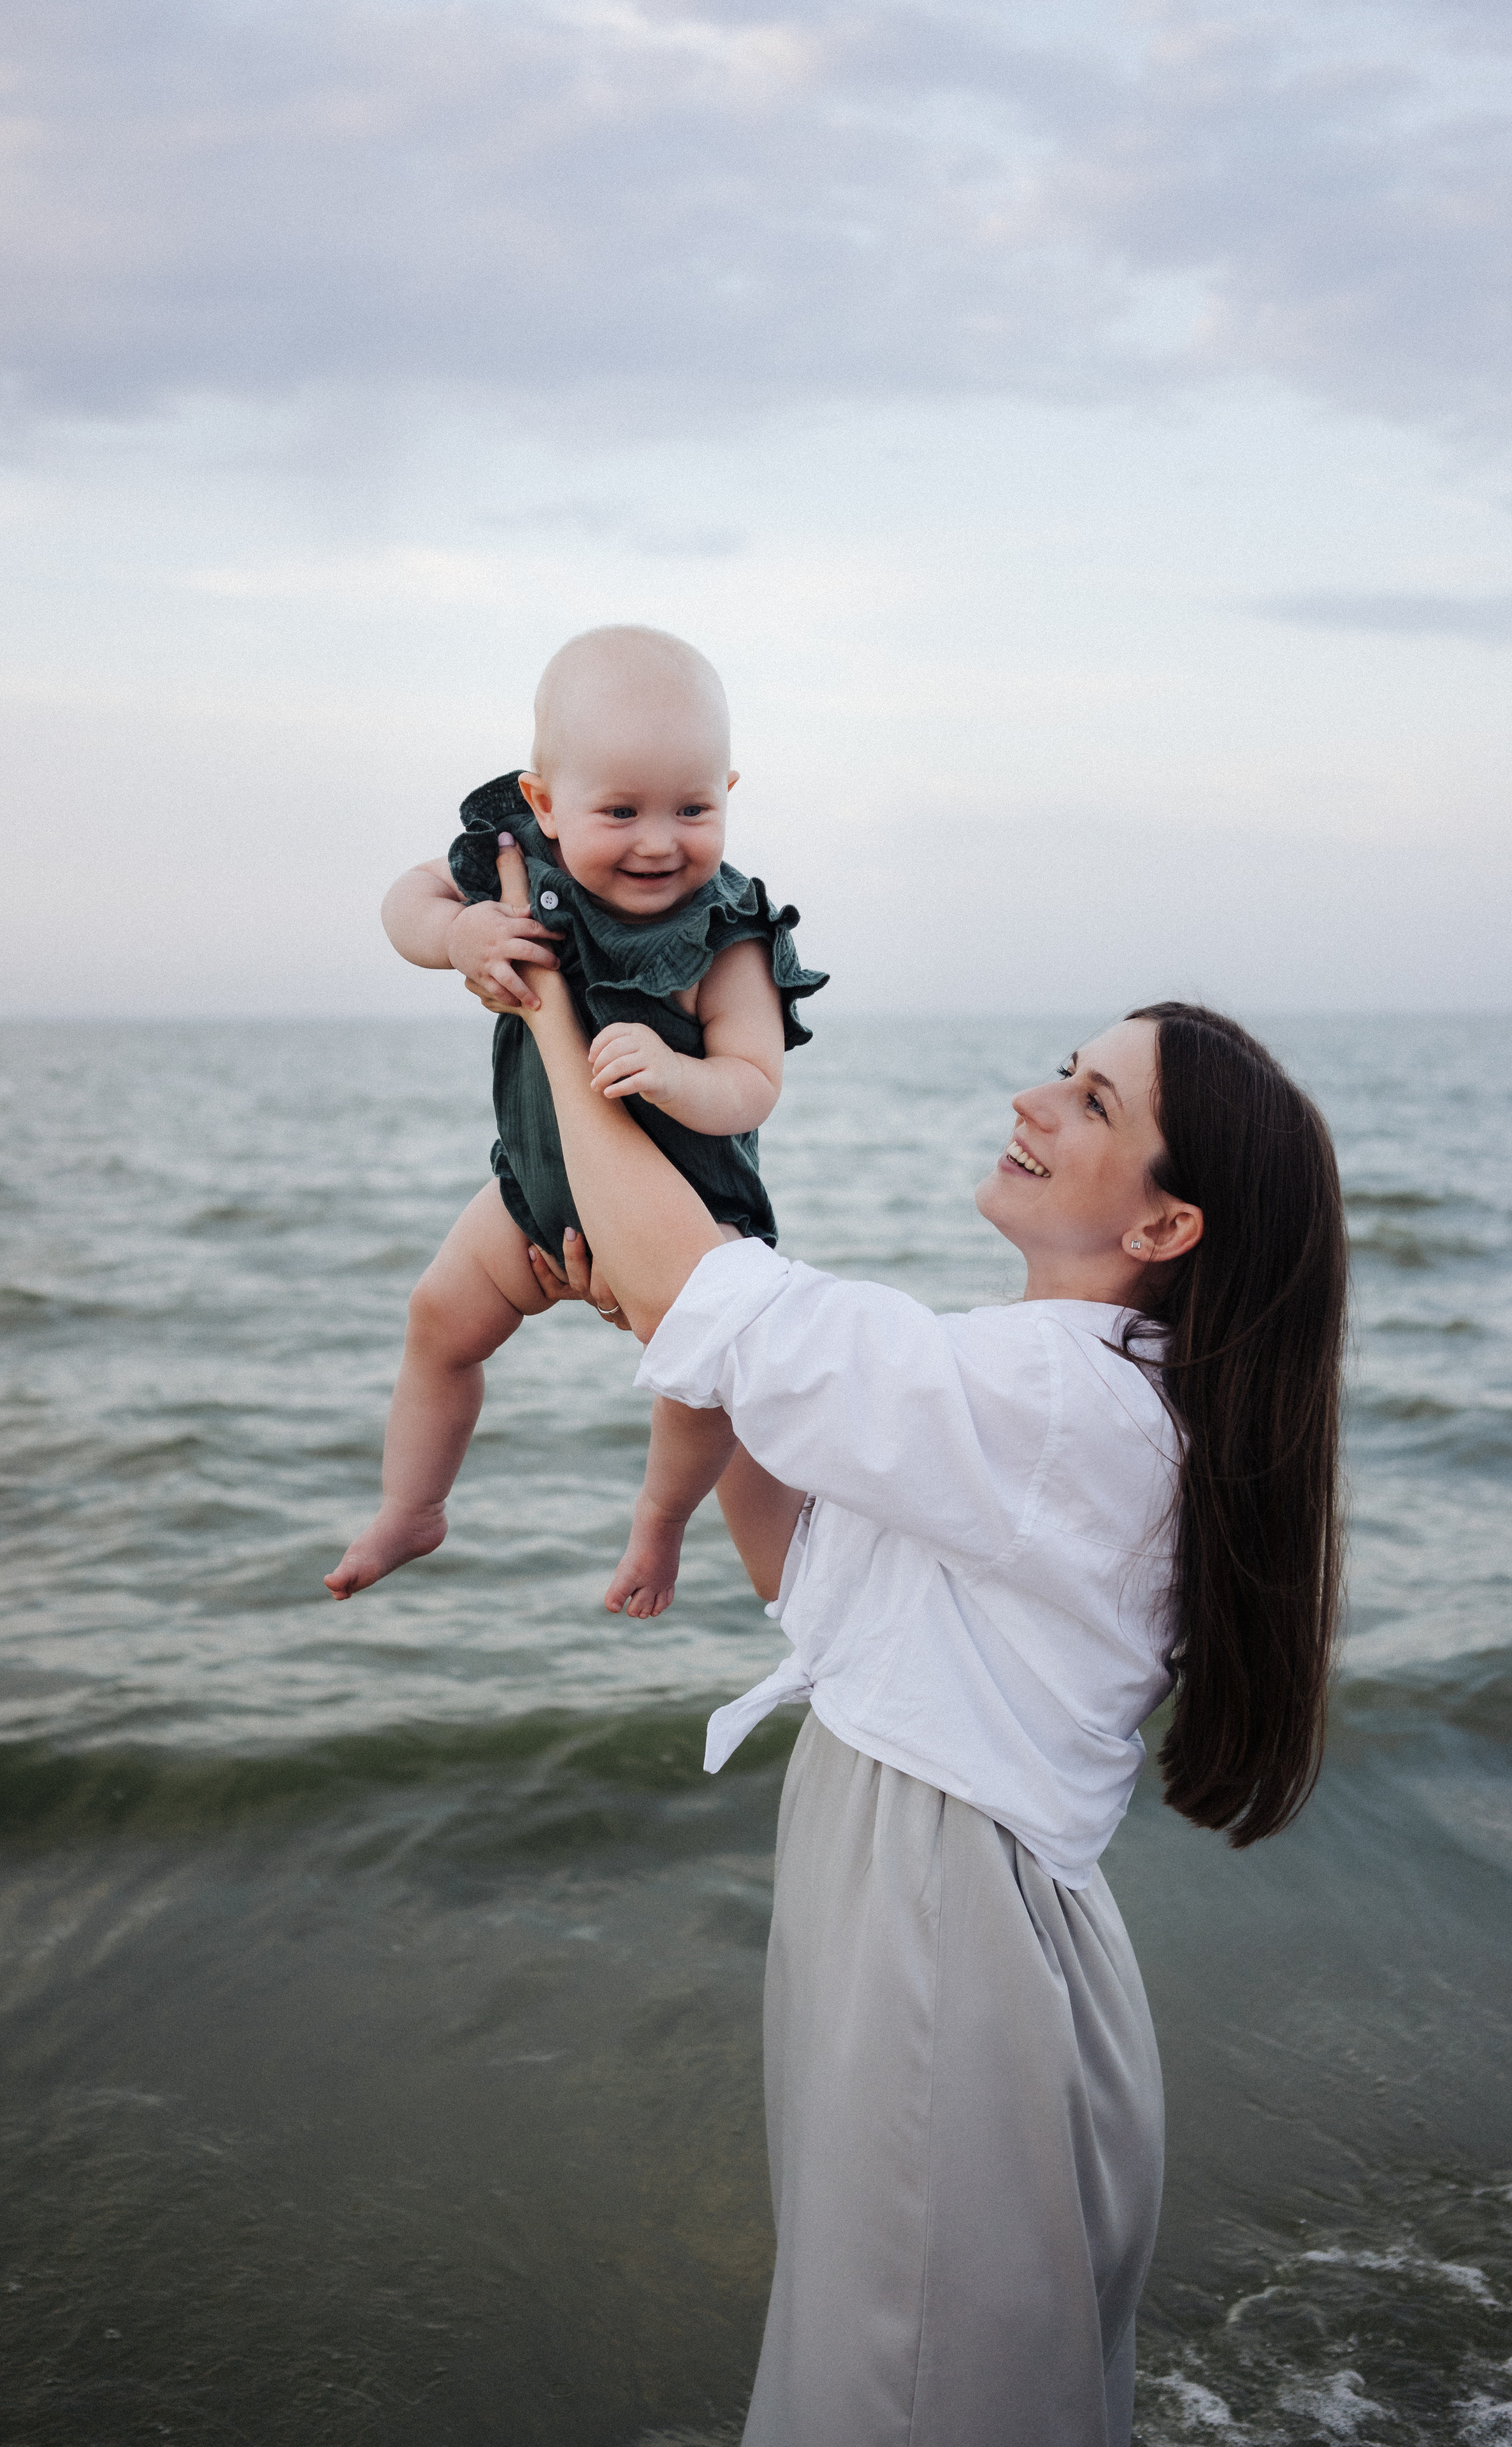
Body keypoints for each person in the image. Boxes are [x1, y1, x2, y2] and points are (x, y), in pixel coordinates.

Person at [501, 897, 1347, 2447]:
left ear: (1164, 1228)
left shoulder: (1058, 1404)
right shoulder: (1067, 1396)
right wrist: (674, 1308)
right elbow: (805, 1574)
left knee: (890, 2395)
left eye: (1092, 1101)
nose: (1031, 1100)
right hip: (954, 1910)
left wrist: (550, 1018)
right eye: (1059, 1069)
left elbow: (720, 1300)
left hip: (950, 1927)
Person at [325, 626, 826, 1615]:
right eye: (621, 810)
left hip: (691, 1216)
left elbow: (754, 1081)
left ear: (729, 791)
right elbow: (404, 899)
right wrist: (455, 933)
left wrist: (678, 1074)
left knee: (700, 1389)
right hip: (534, 1191)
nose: (657, 840)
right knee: (438, 1319)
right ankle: (412, 1506)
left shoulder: (728, 934)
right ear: (547, 804)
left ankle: (659, 1521)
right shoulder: (521, 872)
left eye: (692, 808)